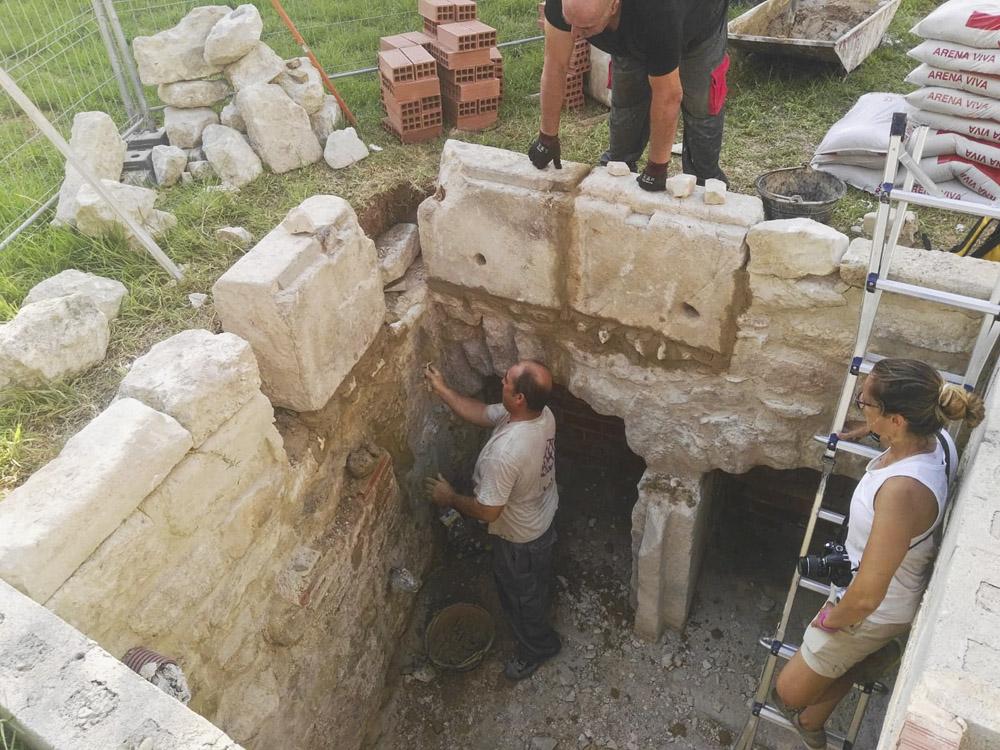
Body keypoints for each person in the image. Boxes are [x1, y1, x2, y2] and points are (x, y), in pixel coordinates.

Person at [771, 358, 985, 749]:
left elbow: (868, 595)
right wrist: (864, 429)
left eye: (865, 405)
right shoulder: (936, 438)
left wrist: (830, 621)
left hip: (874, 611)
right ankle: (858, 664)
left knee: (788, 693)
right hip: (882, 594)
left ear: (897, 420)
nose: (860, 406)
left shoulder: (902, 492)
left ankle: (875, 652)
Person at [424, 360, 562, 680]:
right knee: (534, 583)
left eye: (508, 382)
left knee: (520, 597)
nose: (501, 381)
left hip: (520, 540)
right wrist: (443, 389)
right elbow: (483, 413)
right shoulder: (542, 415)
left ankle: (537, 648)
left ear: (519, 399)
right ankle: (539, 593)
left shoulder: (506, 455)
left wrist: (450, 498)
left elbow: (489, 512)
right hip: (542, 515)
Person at [528, 0, 730, 191]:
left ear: (613, 6)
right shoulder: (567, 6)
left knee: (700, 105)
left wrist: (657, 168)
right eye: (569, 22)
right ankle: (618, 169)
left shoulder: (658, 13)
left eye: (586, 27)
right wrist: (547, 138)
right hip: (634, 25)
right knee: (627, 99)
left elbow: (668, 96)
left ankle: (706, 182)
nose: (575, 33)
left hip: (699, 24)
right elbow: (555, 65)